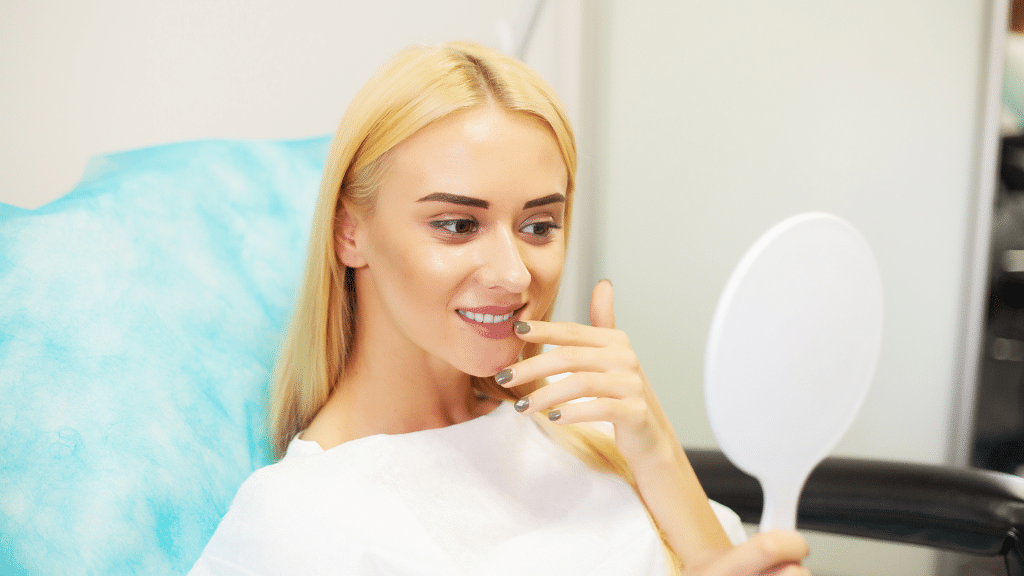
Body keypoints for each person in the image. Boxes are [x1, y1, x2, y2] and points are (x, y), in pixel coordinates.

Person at [189, 41, 809, 576]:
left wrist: (656, 450)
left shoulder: (591, 425)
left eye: (539, 226)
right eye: (458, 224)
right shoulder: (297, 523)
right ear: (350, 233)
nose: (514, 275)